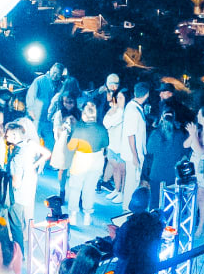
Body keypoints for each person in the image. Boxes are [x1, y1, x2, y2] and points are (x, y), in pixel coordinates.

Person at [1, 119, 49, 246]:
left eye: (7, 133)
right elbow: (47, 154)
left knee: (16, 214)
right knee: (29, 208)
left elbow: (15, 183)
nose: (5, 135)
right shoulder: (30, 143)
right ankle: (28, 233)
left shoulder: (17, 155)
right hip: (30, 179)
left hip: (20, 187)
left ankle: (18, 242)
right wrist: (33, 166)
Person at [63, 98, 110, 226]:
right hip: (97, 160)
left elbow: (70, 147)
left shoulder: (79, 129)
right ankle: (87, 216)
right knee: (90, 188)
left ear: (84, 114)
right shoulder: (102, 128)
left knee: (75, 188)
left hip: (81, 160)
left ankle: (73, 215)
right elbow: (106, 144)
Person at [144, 104, 189, 206]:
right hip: (172, 175)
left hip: (156, 173)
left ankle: (153, 221)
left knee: (154, 202)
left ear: (161, 118)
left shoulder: (155, 134)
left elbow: (149, 150)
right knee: (169, 204)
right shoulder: (180, 135)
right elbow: (184, 154)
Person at [120, 83, 151, 207]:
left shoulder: (136, 107)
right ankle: (128, 208)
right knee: (132, 182)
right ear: (147, 94)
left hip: (136, 151)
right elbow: (130, 134)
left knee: (134, 181)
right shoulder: (133, 110)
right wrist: (135, 155)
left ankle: (129, 207)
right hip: (133, 152)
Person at [99, 87, 127, 196]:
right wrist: (112, 111)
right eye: (117, 98)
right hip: (112, 144)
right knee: (115, 168)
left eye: (121, 98)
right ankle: (117, 189)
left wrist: (112, 112)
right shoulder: (115, 110)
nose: (117, 100)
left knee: (122, 170)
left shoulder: (123, 113)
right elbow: (105, 122)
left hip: (121, 146)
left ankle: (122, 192)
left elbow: (108, 123)